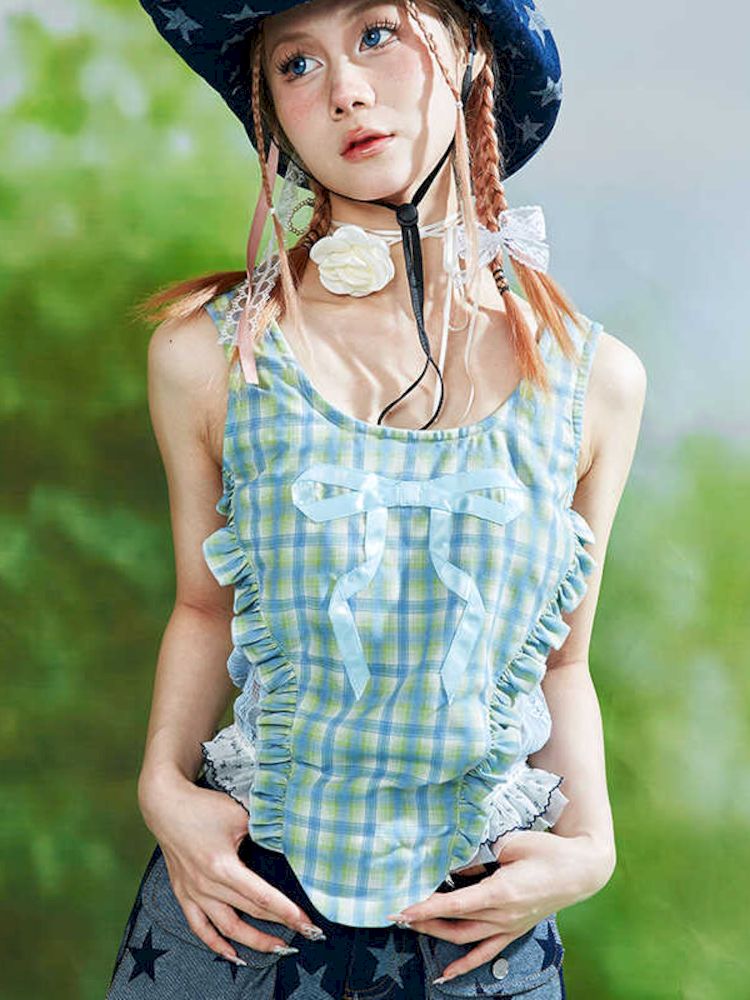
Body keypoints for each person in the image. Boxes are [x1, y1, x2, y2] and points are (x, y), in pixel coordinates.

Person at [107, 0, 647, 996]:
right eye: (297, 65)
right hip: (241, 916)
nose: (345, 90)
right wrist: (163, 788)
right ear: (272, 114)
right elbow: (202, 606)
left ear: (469, 50)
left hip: (479, 932)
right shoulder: (209, 356)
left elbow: (562, 660)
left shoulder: (595, 381)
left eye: (376, 34)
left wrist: (592, 844)